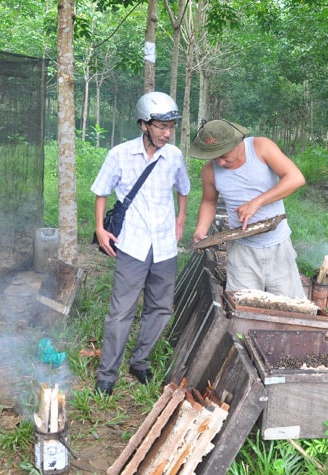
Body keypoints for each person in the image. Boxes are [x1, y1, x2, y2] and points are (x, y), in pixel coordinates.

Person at [91, 91, 190, 396]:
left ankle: (140, 361)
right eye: (161, 126)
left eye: (171, 126)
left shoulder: (174, 156)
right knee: (121, 311)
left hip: (164, 246)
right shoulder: (119, 154)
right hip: (131, 243)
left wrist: (181, 219)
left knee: (160, 307)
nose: (167, 132)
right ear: (144, 125)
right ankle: (107, 374)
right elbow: (101, 191)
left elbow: (183, 188)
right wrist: (99, 228)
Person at [190, 119, 307, 299]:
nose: (220, 162)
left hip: (278, 244)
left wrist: (257, 202)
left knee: (290, 305)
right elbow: (208, 202)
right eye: (215, 157)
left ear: (237, 142)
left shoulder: (261, 148)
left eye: (224, 155)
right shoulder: (209, 171)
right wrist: (201, 229)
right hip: (241, 249)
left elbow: (295, 178)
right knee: (244, 305)